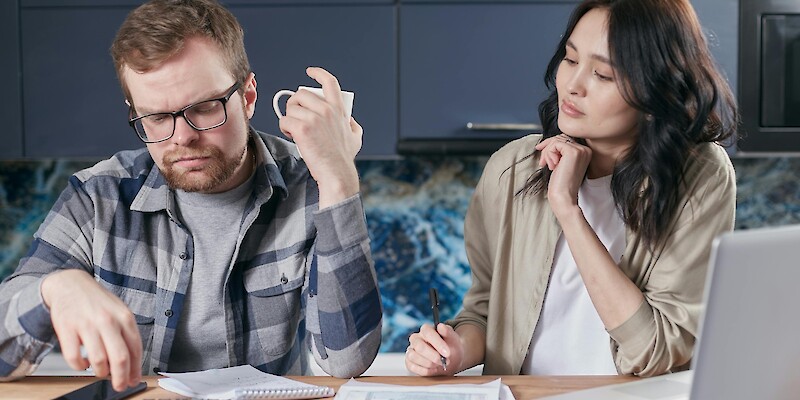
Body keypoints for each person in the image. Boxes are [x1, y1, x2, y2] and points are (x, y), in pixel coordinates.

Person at [0, 0, 382, 391]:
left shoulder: (311, 183)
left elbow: (346, 360)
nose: (183, 137)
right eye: (157, 118)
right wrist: (54, 290)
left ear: (247, 97)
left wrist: (338, 176)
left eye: (203, 108)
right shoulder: (98, 197)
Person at [405, 0, 738, 377]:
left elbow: (655, 350)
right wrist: (456, 350)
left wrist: (568, 209)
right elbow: (485, 310)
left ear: (654, 92)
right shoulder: (512, 168)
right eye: (570, 59)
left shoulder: (698, 177)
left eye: (602, 74)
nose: (573, 85)